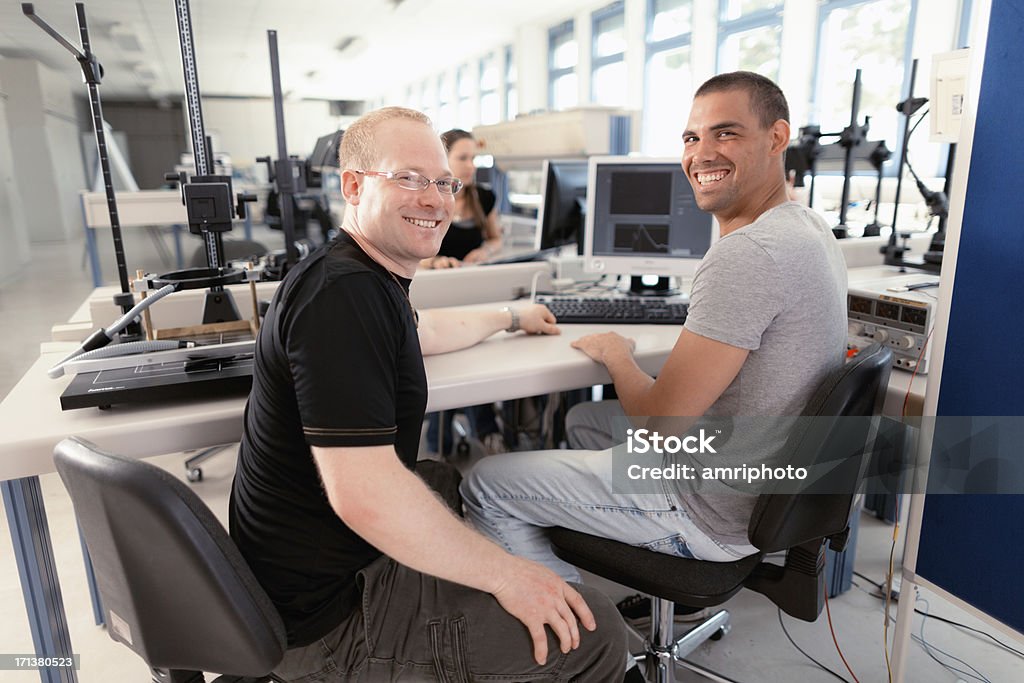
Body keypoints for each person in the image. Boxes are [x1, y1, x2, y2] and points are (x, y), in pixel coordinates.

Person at [228, 106, 632, 682]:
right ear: (353, 185)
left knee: (440, 479)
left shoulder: (360, 276)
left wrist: (510, 316)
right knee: (594, 632)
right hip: (330, 625)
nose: (436, 199)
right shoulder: (343, 298)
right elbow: (364, 495)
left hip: (318, 576)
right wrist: (507, 576)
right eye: (409, 178)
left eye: (443, 182)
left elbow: (423, 332)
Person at [461, 71, 849, 583]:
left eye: (725, 133)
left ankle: (577, 640)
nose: (701, 153)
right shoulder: (809, 226)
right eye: (692, 138)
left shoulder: (747, 253)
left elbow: (660, 424)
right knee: (584, 420)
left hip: (710, 508)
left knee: (485, 482)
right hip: (762, 476)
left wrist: (618, 356)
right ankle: (606, 549)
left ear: (777, 138)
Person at [420, 128, 502, 269]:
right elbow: (411, 249)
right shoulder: (427, 198)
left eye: (473, 159)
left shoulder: (484, 197)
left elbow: (495, 239)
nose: (471, 166)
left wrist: (485, 251)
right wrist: (434, 261)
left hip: (470, 275)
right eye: (463, 158)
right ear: (442, 159)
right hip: (435, 276)